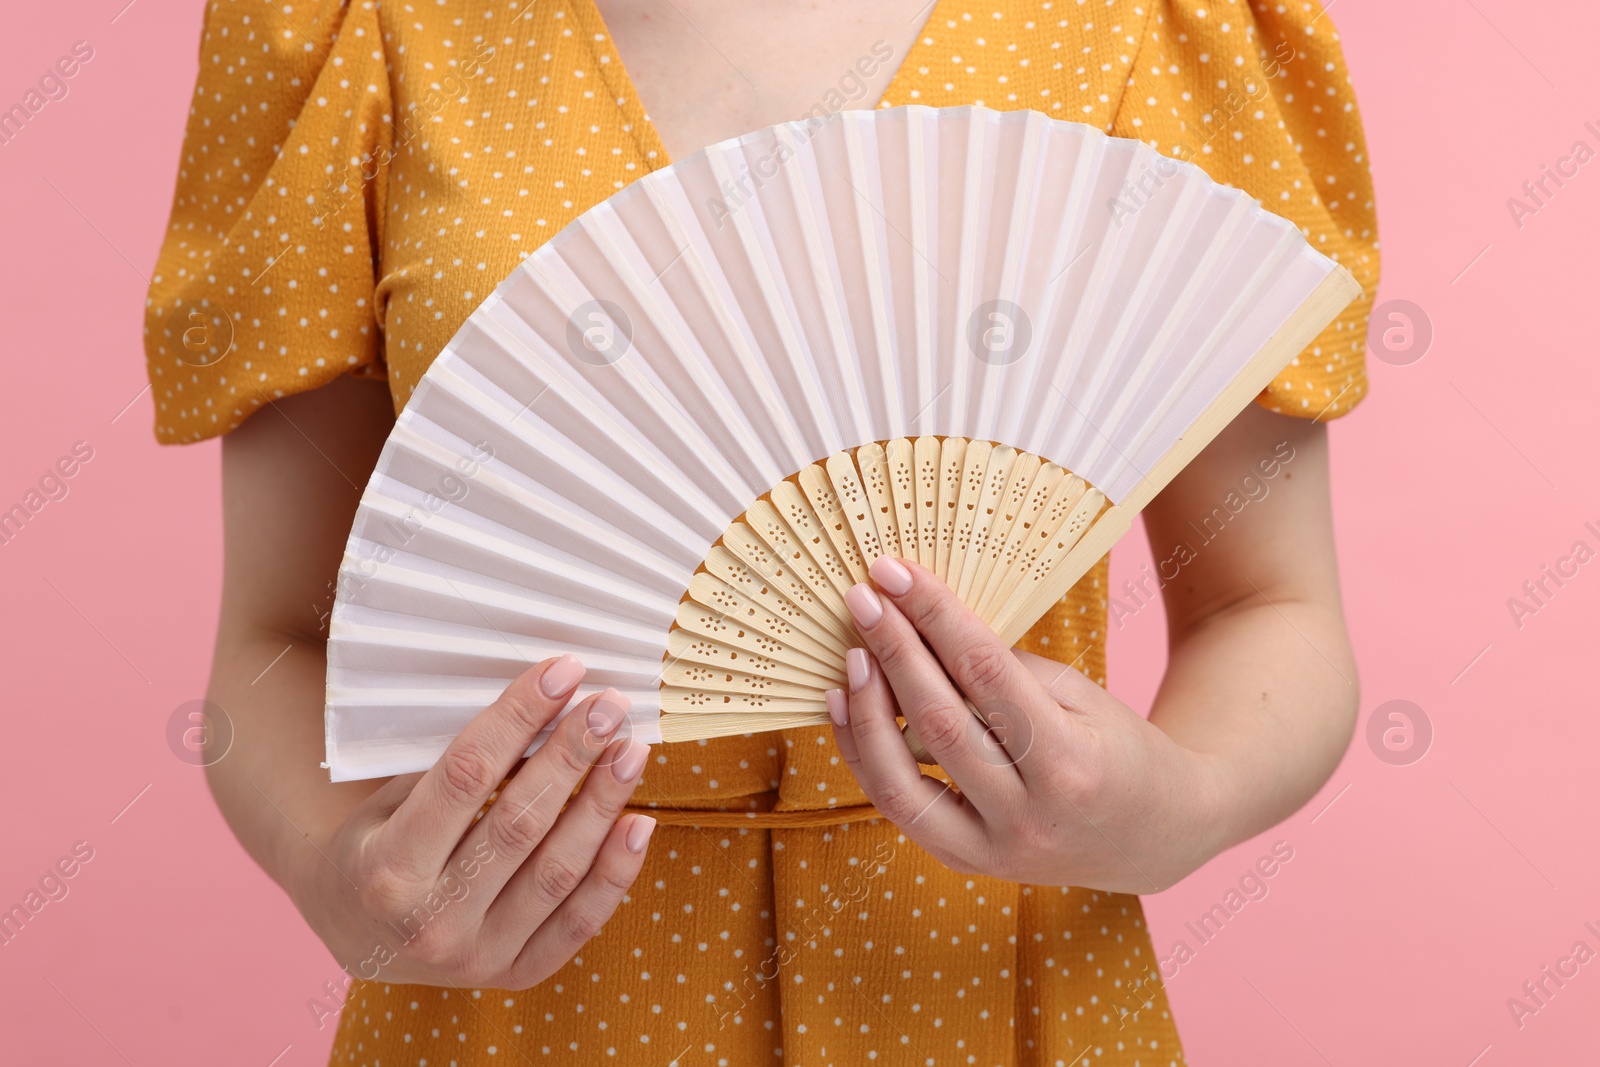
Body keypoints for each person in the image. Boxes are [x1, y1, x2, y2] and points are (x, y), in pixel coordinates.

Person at [142, 0, 1378, 1062]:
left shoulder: (1156, 21)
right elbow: (274, 640)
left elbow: (1267, 606)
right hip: (509, 995)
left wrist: (1183, 801)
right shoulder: (352, 25)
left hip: (1000, 982)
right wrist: (337, 876)